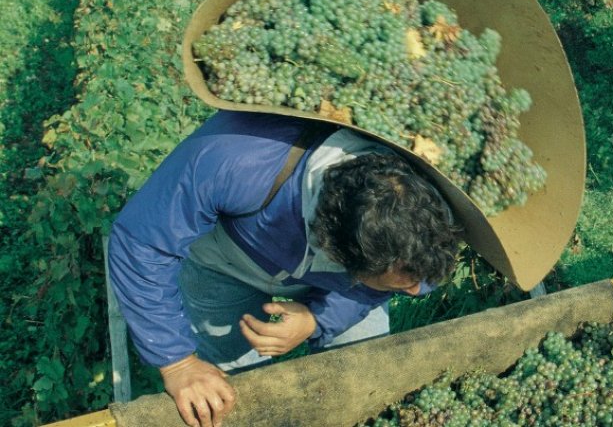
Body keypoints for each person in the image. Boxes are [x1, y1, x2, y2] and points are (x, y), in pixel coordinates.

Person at [107, 110, 463, 427]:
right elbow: (142, 244)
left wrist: (317, 319)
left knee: (366, 371)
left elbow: (417, 276)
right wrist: (178, 364)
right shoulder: (232, 160)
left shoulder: (426, 213)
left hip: (340, 282)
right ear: (337, 251)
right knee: (231, 391)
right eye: (401, 284)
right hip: (228, 260)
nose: (416, 293)